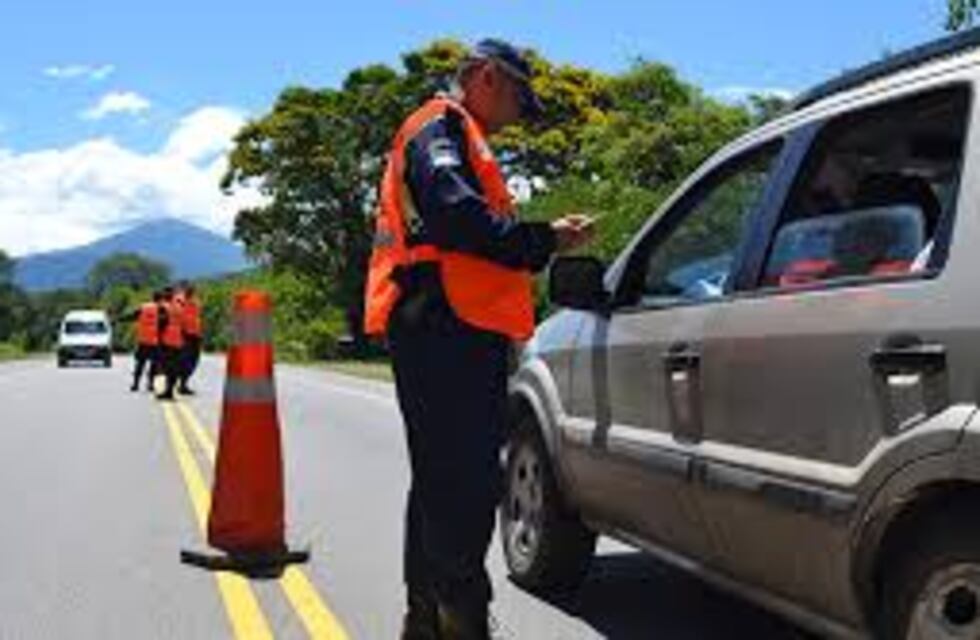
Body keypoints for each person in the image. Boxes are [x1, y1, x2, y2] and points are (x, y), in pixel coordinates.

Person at [363, 39, 594, 640]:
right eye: (519, 95)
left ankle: (424, 620)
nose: (521, 112)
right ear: (488, 77)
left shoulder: (459, 133)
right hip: (442, 324)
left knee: (442, 480)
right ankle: (460, 620)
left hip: (452, 326)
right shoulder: (437, 126)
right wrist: (543, 240)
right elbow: (456, 216)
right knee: (465, 484)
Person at [119, 291, 165, 392]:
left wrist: (120, 319)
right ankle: (150, 385)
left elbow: (131, 316)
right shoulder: (161, 309)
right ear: (160, 299)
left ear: (152, 298)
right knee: (154, 364)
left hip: (143, 340)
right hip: (154, 341)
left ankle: (135, 384)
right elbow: (165, 323)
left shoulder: (143, 308)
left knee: (140, 363)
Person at [157, 286, 184, 401]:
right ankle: (170, 391)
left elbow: (162, 323)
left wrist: (158, 337)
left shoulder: (164, 307)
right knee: (173, 368)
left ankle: (168, 392)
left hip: (167, 340)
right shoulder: (179, 307)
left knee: (167, 367)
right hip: (177, 340)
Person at [176, 282, 203, 395]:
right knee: (184, 361)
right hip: (183, 335)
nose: (191, 291)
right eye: (188, 289)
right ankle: (181, 384)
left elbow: (197, 318)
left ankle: (183, 383)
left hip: (195, 335)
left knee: (193, 361)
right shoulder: (178, 301)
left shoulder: (195, 302)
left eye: (192, 289)